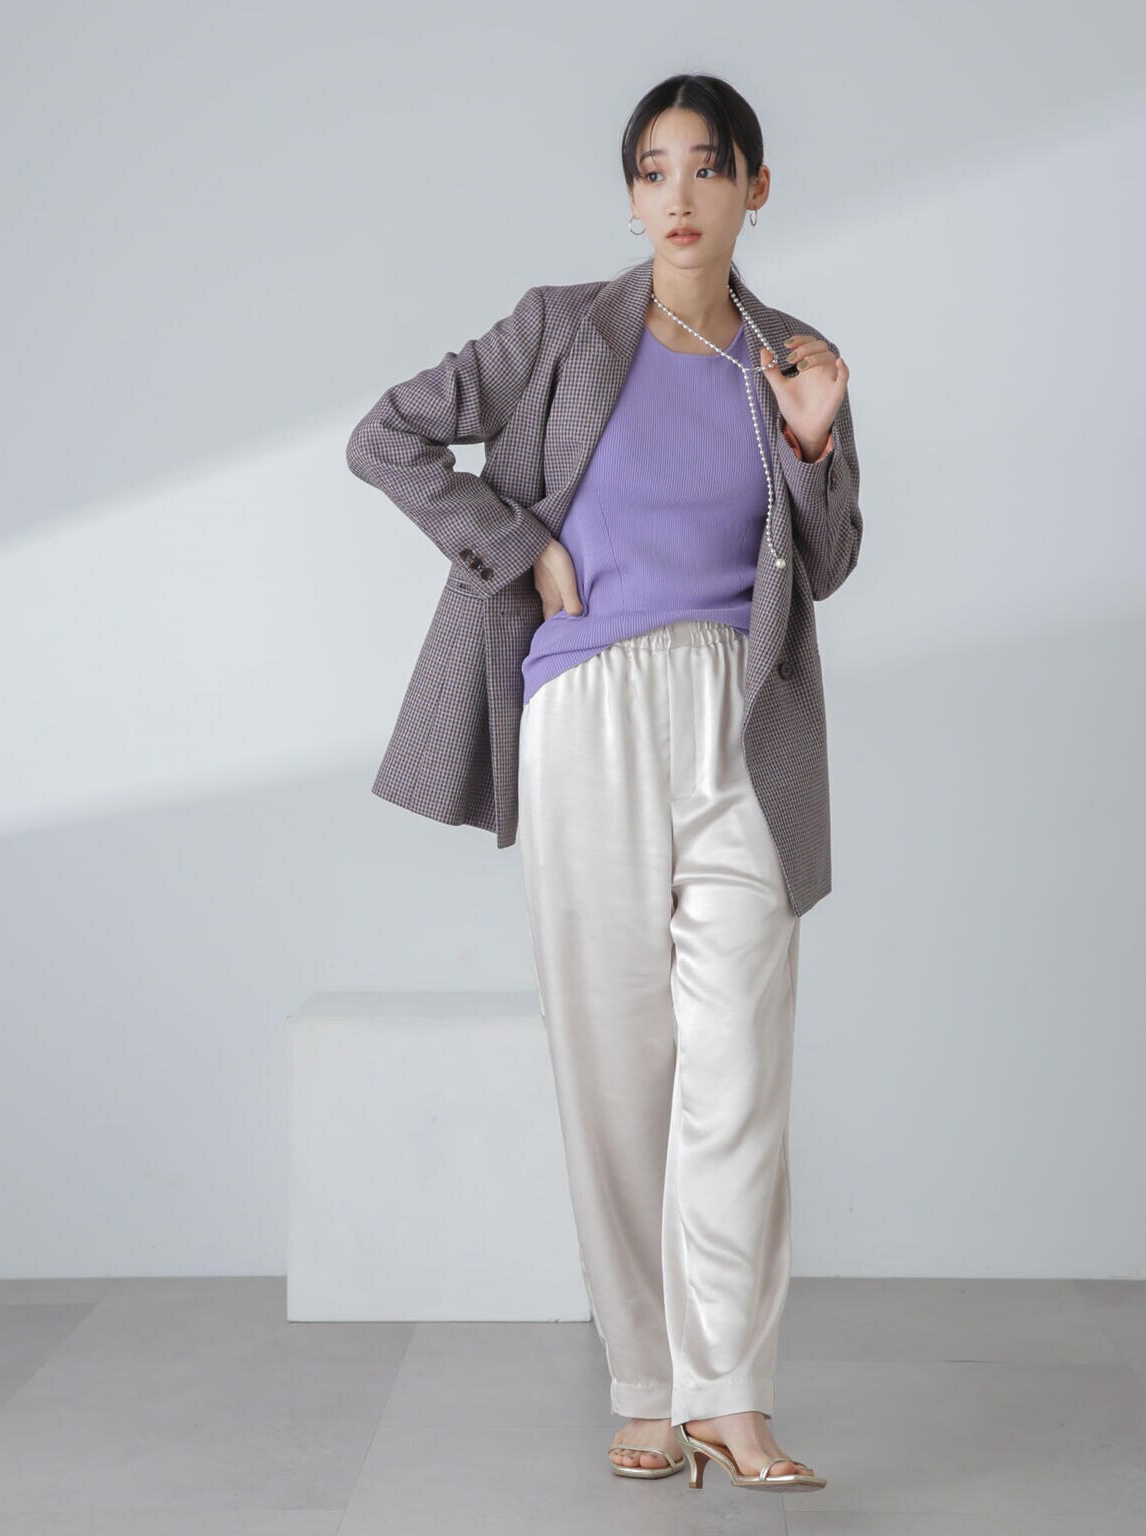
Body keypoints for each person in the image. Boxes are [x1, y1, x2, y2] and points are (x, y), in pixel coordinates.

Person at [346, 71, 863, 1498]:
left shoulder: (794, 359)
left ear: (756, 188)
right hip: (589, 705)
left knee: (739, 1073)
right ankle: (647, 1388)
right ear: (631, 197)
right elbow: (386, 435)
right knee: (616, 1063)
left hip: (746, 718)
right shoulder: (560, 328)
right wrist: (518, 544)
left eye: (707, 167)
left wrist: (813, 438)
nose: (678, 196)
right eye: (652, 170)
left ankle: (732, 1397)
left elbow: (826, 563)